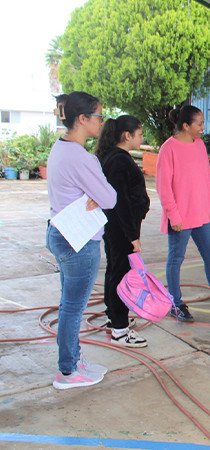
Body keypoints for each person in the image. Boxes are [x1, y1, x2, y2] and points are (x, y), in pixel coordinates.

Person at [46, 91, 117, 389]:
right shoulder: (82, 158)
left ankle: (73, 359)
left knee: (69, 304)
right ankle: (67, 371)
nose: (102, 121)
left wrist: (95, 194)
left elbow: (99, 196)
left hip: (60, 233)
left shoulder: (60, 148)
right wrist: (96, 194)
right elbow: (109, 198)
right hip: (79, 240)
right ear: (83, 118)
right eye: (99, 115)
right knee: (73, 309)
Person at [157, 105, 210, 321]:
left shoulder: (200, 145)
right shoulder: (168, 149)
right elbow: (164, 188)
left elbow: (206, 176)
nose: (203, 128)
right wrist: (173, 215)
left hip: (201, 214)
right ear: (186, 126)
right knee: (176, 259)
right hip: (180, 217)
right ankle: (175, 304)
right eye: (200, 124)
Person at [96, 115, 150, 347]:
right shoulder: (118, 160)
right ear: (127, 135)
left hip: (117, 226)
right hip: (121, 228)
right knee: (121, 275)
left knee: (114, 269)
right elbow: (122, 202)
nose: (142, 138)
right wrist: (132, 236)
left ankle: (114, 317)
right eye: (139, 134)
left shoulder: (114, 156)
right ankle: (120, 328)